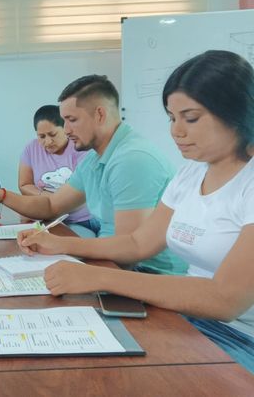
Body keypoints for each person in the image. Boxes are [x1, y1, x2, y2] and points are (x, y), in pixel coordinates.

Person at [17, 50, 254, 372]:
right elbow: (139, 242)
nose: (176, 131)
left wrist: (97, 276)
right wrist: (59, 244)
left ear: (237, 113)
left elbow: (225, 299)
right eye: (172, 118)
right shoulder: (192, 172)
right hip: (188, 317)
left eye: (191, 118)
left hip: (238, 337)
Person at [0, 75, 186, 275]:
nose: (66, 130)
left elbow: (128, 253)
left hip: (148, 275)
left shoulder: (132, 159)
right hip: (115, 265)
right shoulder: (94, 159)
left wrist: (61, 245)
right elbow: (51, 205)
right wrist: (2, 195)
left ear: (100, 115)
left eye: (72, 120)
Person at [19, 104, 95, 232]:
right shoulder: (31, 149)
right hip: (51, 219)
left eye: (53, 134)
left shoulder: (81, 147)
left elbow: (85, 190)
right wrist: (49, 198)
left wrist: (51, 201)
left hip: (85, 219)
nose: (48, 142)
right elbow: (24, 185)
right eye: (41, 136)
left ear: (66, 128)